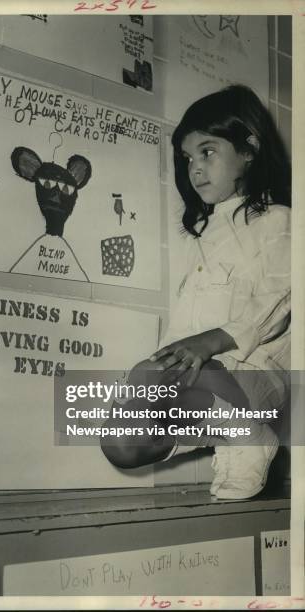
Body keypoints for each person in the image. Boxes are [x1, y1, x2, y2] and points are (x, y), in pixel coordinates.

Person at [101, 85, 291, 500]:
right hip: (201, 386)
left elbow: (280, 298)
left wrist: (208, 344)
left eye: (208, 152)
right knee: (119, 442)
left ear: (249, 149)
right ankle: (234, 434)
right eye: (188, 158)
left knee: (158, 377)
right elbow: (184, 328)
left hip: (253, 375)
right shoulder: (200, 235)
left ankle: (247, 436)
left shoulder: (278, 220)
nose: (195, 168)